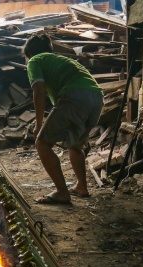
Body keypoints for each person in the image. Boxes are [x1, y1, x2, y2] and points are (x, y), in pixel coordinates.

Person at [23, 32, 105, 204]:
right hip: (97, 98)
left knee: (42, 143)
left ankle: (62, 192)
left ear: (28, 53)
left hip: (75, 97)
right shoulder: (60, 59)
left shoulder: (35, 61)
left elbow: (38, 90)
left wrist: (38, 125)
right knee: (76, 144)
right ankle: (81, 187)